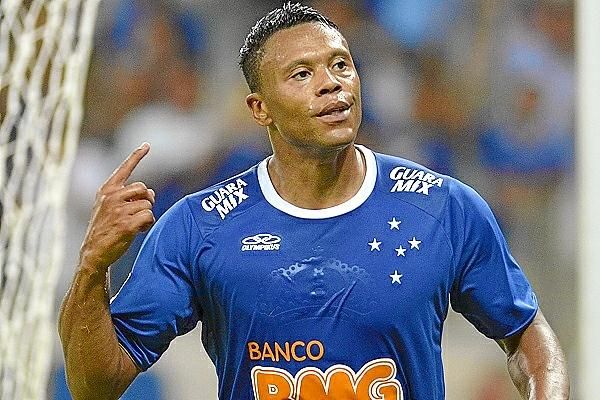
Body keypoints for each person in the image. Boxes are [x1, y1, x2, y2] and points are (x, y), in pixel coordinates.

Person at [58, 3, 570, 399]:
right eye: (302, 74)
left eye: (341, 65)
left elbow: (527, 334)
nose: (330, 85)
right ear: (260, 109)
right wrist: (92, 268)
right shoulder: (200, 225)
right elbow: (95, 386)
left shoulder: (442, 207)